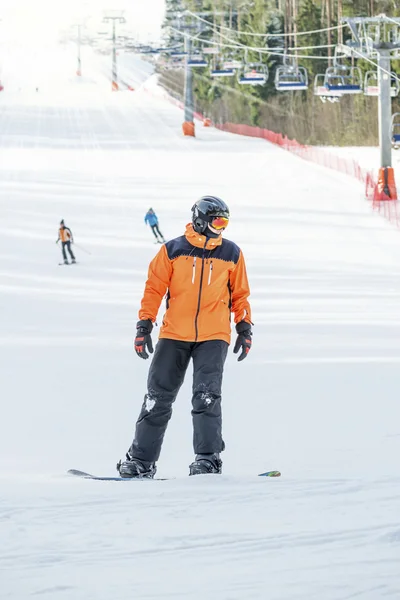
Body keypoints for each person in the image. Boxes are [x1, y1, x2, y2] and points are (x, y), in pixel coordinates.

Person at [117, 196, 253, 478]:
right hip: (174, 333)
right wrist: (144, 326)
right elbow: (154, 289)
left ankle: (207, 459)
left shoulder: (231, 253)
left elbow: (240, 295)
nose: (222, 228)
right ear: (201, 220)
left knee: (206, 396)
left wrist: (244, 327)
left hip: (214, 335)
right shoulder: (172, 250)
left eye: (225, 222)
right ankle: (140, 460)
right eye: (218, 221)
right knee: (157, 397)